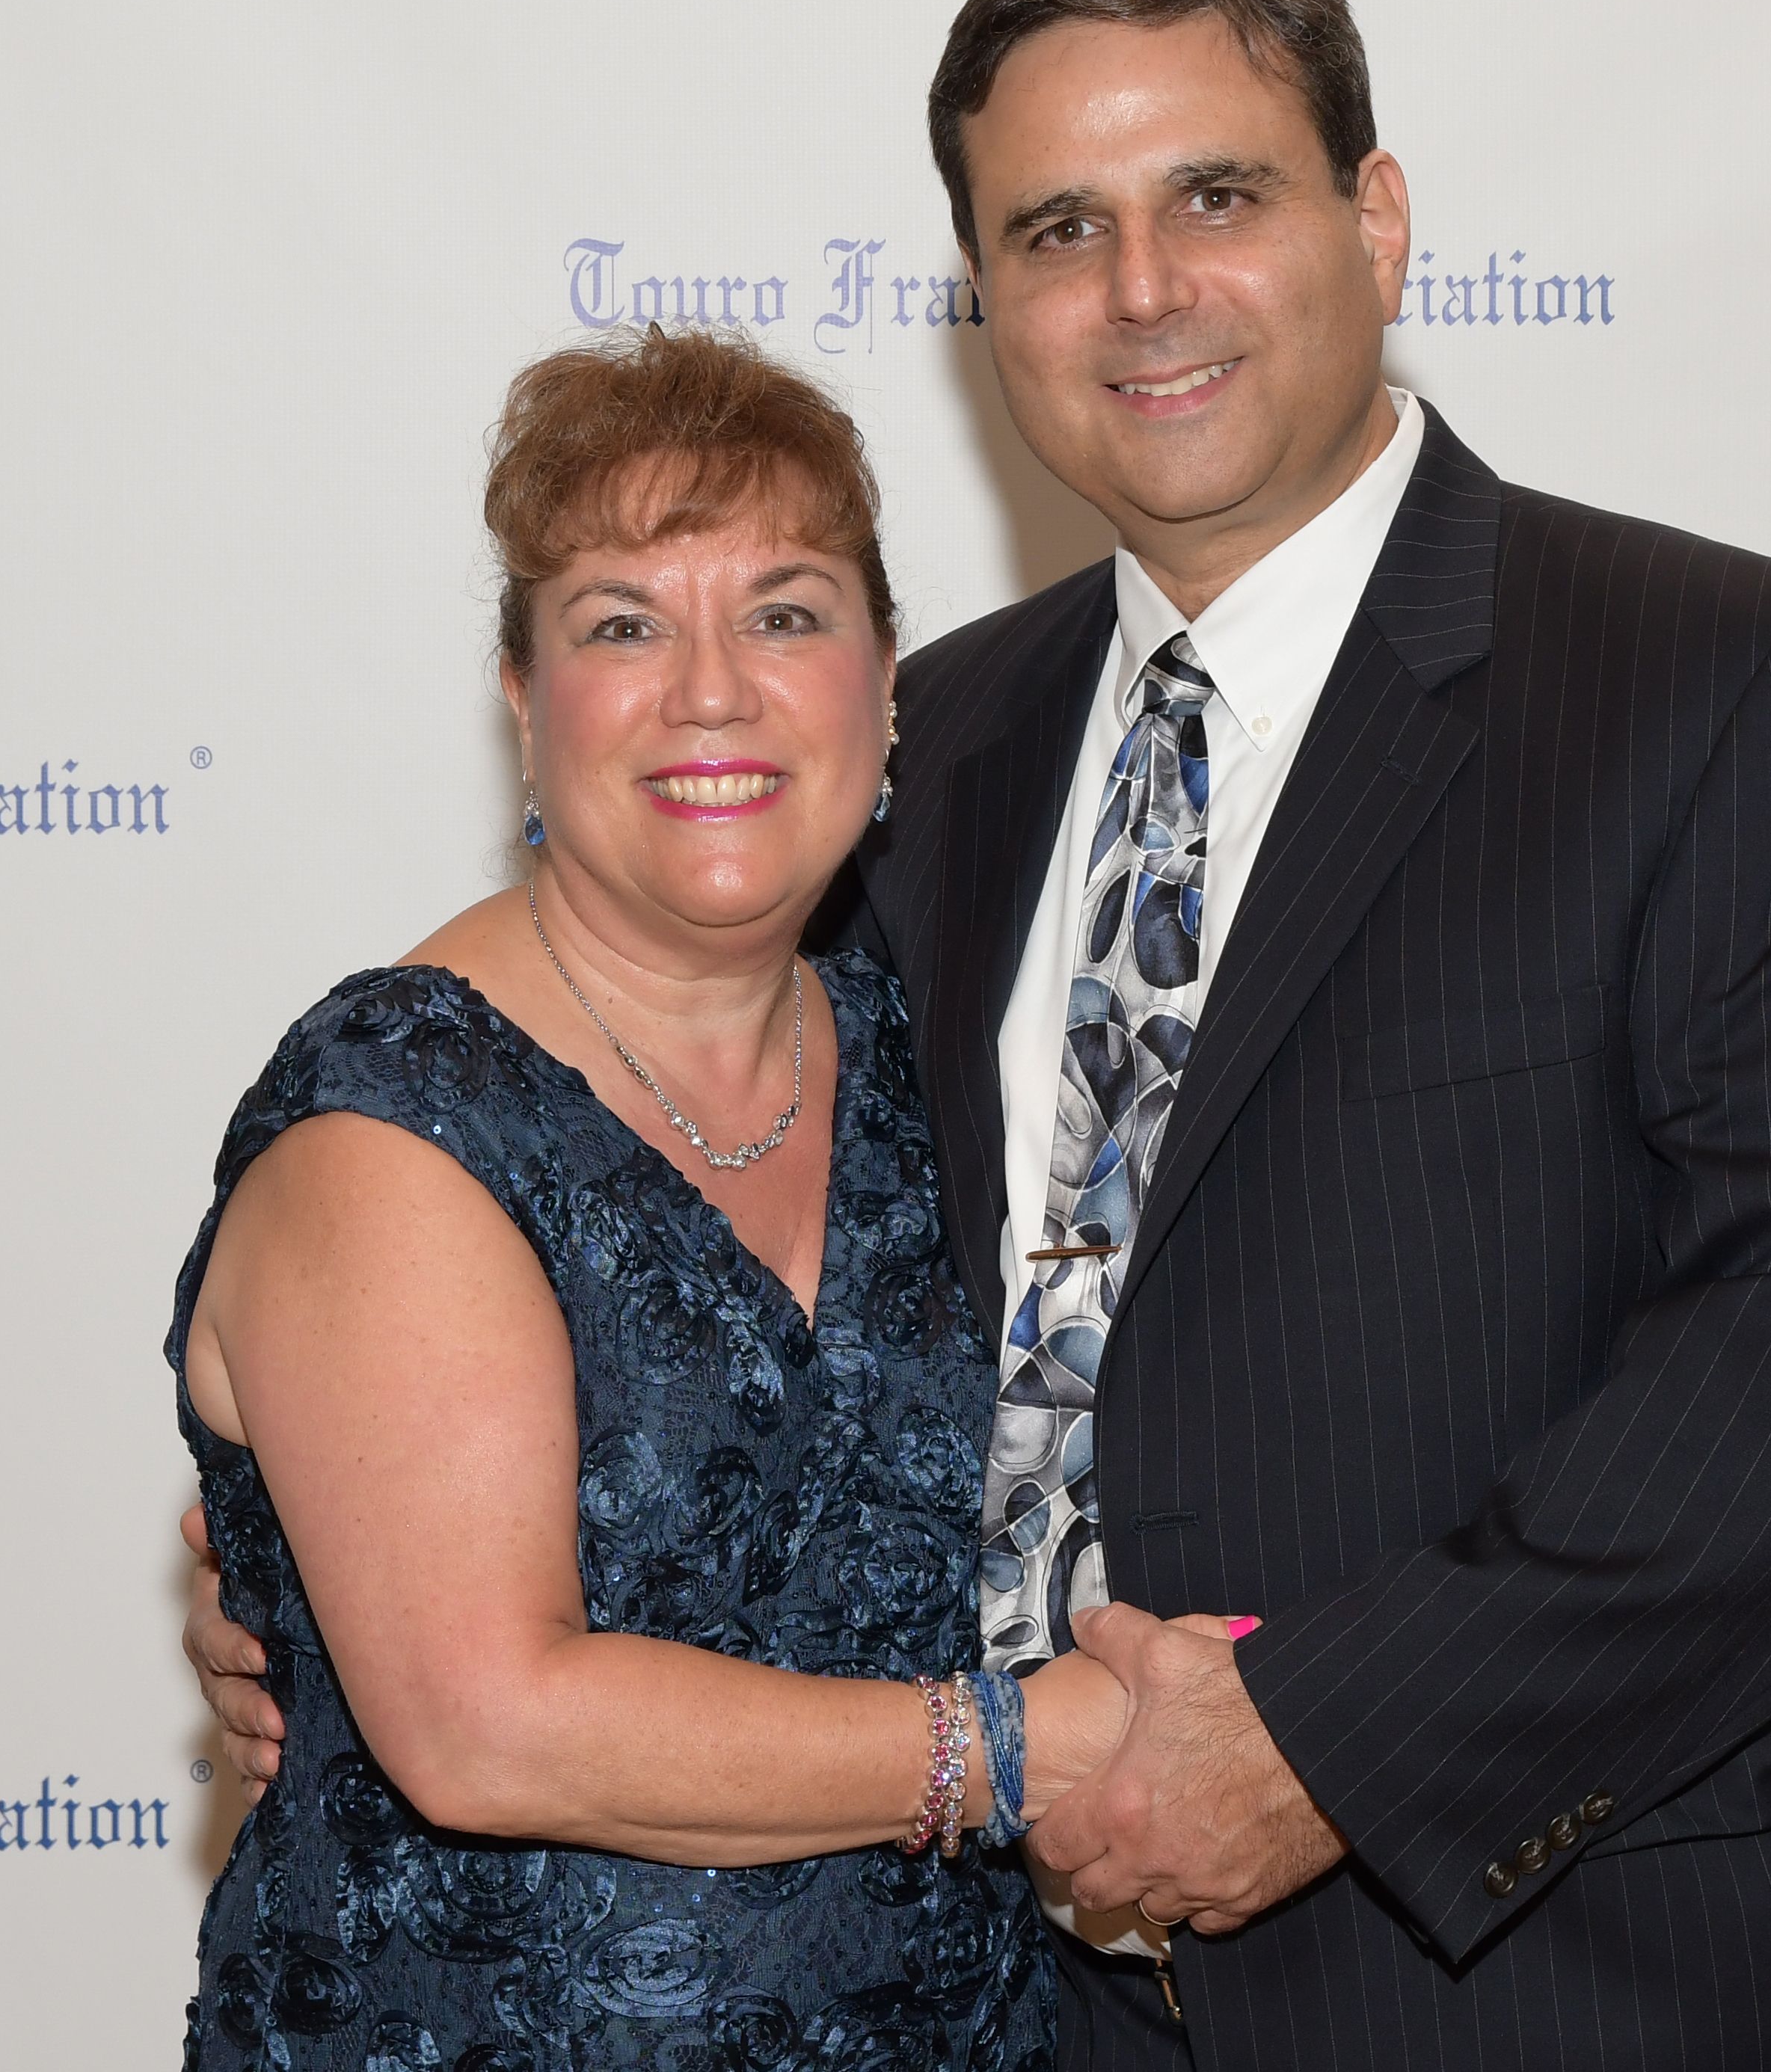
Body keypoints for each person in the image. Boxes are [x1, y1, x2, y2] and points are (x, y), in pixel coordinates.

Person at [197, 0, 1771, 2068]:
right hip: (1016, 2009)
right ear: (987, 303)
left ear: (1376, 220)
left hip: (1571, 1985)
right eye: (1058, 230)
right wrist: (330, 1572)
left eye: (1215, 195)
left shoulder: (1726, 686)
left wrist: (1315, 1747)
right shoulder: (915, 756)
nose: (1143, 289)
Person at [168, 331, 1138, 2071]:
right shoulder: (394, 1119)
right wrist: (1020, 1747)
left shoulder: (943, 1046)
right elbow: (485, 1723)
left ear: (884, 682)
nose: (711, 690)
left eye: (783, 613)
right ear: (523, 700)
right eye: (624, 623)